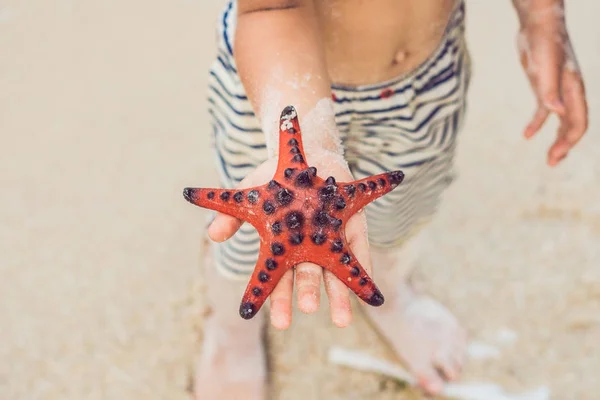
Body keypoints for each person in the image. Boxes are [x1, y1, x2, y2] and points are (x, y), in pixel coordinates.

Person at [194, 0, 588, 398]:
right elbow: (270, 8)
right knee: (245, 239)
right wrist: (308, 142)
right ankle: (233, 327)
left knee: (399, 209)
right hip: (279, 90)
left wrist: (542, 18)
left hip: (427, 82)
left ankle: (391, 292)